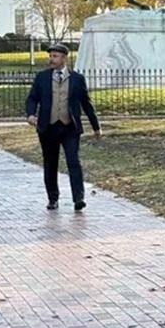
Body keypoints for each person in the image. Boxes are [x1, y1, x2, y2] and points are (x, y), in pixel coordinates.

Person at [24, 43, 101, 211]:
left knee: (74, 161)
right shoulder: (42, 77)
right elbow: (32, 98)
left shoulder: (77, 79)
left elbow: (86, 103)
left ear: (64, 58)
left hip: (69, 127)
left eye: (55, 56)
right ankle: (53, 198)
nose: (51, 59)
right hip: (48, 127)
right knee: (50, 163)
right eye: (50, 56)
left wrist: (96, 126)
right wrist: (30, 114)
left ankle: (78, 198)